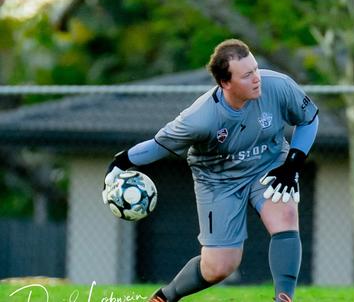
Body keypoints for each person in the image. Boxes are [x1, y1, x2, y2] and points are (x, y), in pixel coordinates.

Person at [102, 38, 319, 302]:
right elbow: (160, 145)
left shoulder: (278, 86)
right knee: (219, 266)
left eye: (255, 69)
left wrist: (293, 163)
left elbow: (309, 120)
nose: (256, 78)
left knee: (285, 214)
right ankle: (165, 296)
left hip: (269, 164)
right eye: (247, 75)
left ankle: (284, 298)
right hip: (218, 180)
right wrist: (120, 163)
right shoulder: (200, 118)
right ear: (225, 83)